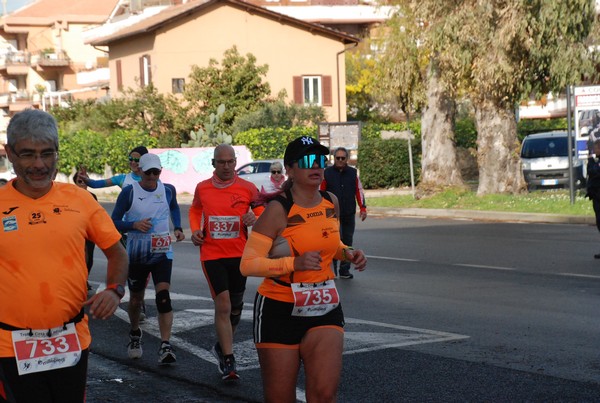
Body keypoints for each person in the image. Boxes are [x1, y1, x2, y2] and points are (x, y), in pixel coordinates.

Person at [0, 109, 128, 402]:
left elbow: (117, 254)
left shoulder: (80, 200)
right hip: (8, 344)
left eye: (47, 153)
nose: (39, 164)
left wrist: (114, 289)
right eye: (28, 154)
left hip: (70, 338)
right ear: (9, 153)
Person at [240, 135, 367, 403]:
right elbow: (248, 264)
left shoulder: (330, 201)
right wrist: (293, 264)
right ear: (290, 169)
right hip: (278, 309)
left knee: (324, 395)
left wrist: (349, 253)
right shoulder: (277, 210)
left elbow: (331, 245)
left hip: (324, 306)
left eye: (321, 160)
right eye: (308, 160)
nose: (317, 166)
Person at [189, 144, 263, 381]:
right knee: (223, 305)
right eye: (222, 162)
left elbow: (264, 210)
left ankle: (222, 346)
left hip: (239, 254)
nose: (227, 166)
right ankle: (229, 360)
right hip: (212, 254)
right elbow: (194, 210)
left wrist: (255, 216)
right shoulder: (203, 188)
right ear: (213, 164)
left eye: (231, 161)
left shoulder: (247, 188)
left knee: (236, 307)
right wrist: (194, 230)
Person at [111, 153, 185, 365]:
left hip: (162, 252)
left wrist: (178, 227)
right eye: (149, 172)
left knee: (163, 297)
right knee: (135, 300)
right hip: (137, 253)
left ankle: (165, 345)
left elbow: (174, 206)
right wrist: (133, 225)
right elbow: (114, 221)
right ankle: (135, 333)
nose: (153, 176)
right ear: (140, 171)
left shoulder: (168, 189)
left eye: (156, 172)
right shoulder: (129, 192)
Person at [320, 146, 367, 279]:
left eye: (343, 158)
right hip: (332, 215)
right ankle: (332, 270)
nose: (340, 160)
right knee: (334, 241)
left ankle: (344, 270)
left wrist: (362, 208)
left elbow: (359, 191)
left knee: (347, 241)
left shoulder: (353, 173)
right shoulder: (326, 173)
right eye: (337, 158)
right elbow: (321, 193)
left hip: (348, 213)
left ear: (347, 159)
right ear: (334, 159)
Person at [78, 146, 148, 190]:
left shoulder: (153, 180)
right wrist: (86, 179)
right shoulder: (122, 179)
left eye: (136, 160)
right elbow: (95, 184)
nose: (133, 162)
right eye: (130, 159)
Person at [74, 171, 99, 290]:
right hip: (76, 232)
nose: (83, 183)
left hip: (89, 232)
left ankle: (85, 279)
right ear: (75, 183)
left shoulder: (93, 196)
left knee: (90, 258)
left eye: (85, 181)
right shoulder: (69, 196)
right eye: (80, 181)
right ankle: (79, 281)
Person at [587, 139, 600, 258]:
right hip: (596, 195)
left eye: (596, 148)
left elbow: (594, 172)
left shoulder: (596, 163)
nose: (594, 151)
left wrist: (590, 161)